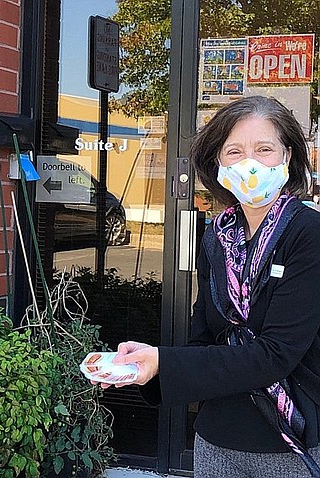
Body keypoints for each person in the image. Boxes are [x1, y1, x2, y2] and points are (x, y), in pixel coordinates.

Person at [101, 96, 320, 477]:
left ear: (288, 157)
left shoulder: (309, 234)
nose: (249, 163)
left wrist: (164, 364)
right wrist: (148, 363)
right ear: (217, 165)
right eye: (233, 151)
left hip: (289, 442)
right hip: (216, 436)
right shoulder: (216, 237)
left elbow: (276, 354)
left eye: (264, 149)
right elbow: (204, 334)